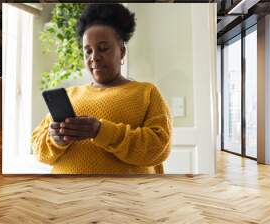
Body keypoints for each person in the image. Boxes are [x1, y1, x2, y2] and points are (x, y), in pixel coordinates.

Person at [31, 3, 173, 174]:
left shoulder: (146, 93)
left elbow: (158, 147)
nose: (94, 57)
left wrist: (101, 131)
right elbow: (39, 151)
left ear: (121, 51)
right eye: (88, 51)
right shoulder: (70, 95)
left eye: (103, 48)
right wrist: (55, 140)